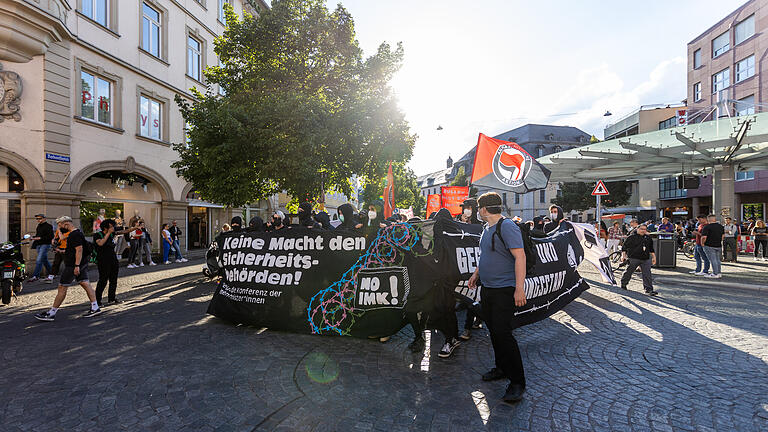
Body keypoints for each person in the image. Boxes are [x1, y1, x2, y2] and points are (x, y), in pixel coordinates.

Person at [467, 192, 527, 403]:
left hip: (505, 289)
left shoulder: (507, 226)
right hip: (489, 288)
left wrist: (519, 289)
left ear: (483, 209)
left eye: (477, 208)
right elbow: (486, 255)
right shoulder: (487, 228)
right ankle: (501, 368)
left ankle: (518, 382)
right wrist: (476, 273)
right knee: (494, 331)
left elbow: (520, 256)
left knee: (503, 333)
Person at [34, 216, 102, 321]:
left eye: (60, 225)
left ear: (66, 223)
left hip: (73, 265)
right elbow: (74, 250)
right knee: (85, 283)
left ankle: (51, 313)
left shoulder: (74, 235)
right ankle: (95, 307)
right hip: (80, 264)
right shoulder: (76, 233)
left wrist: (76, 266)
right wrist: (62, 251)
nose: (59, 227)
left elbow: (79, 250)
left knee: (62, 287)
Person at [93, 219, 136, 307]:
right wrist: (108, 233)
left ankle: (111, 299)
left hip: (112, 259)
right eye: (111, 226)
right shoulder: (98, 235)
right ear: (106, 228)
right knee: (103, 280)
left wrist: (135, 228)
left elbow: (125, 231)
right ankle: (97, 301)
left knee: (113, 280)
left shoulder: (113, 233)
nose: (113, 228)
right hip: (103, 260)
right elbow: (100, 243)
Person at [456, 198, 482, 341]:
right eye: (464, 207)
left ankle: (467, 327)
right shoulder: (457, 222)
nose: (466, 210)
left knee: (473, 295)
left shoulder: (480, 225)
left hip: (475, 264)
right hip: (461, 263)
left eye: (469, 208)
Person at [620, 224, 658, 295]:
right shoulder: (631, 237)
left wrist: (654, 257)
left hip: (645, 258)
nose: (643, 231)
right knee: (629, 272)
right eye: (641, 229)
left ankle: (648, 289)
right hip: (633, 258)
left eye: (644, 229)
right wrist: (623, 256)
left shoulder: (648, 238)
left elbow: (651, 249)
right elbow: (624, 247)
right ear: (637, 229)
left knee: (647, 274)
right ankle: (624, 283)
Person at [29, 214, 54, 282]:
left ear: (44, 219)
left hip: (45, 244)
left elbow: (50, 237)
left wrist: (38, 238)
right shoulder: (38, 226)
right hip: (38, 245)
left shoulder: (49, 226)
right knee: (44, 260)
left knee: (39, 260)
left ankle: (35, 276)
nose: (38, 220)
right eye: (37, 219)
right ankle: (53, 273)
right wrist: (33, 238)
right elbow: (38, 235)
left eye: (39, 218)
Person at [700, 214, 724, 279]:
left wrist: (702, 243)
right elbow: (722, 236)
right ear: (715, 219)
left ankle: (715, 273)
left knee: (713, 260)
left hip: (709, 245)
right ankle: (718, 273)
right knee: (717, 260)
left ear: (708, 220)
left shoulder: (707, 227)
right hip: (718, 245)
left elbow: (704, 237)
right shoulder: (721, 226)